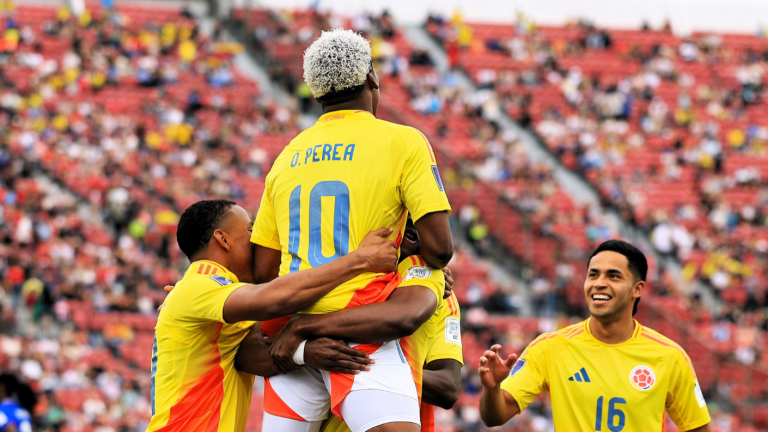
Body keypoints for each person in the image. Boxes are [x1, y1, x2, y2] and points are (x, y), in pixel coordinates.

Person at [250, 28, 454, 432]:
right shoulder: (402, 141)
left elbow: (263, 273)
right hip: (363, 337)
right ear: (372, 77)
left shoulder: (286, 155)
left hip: (296, 348)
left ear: (315, 92)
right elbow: (439, 249)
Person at [147, 200, 398, 432]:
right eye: (249, 230)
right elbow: (275, 299)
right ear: (223, 239)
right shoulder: (199, 285)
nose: (257, 240)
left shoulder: (213, 300)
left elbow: (259, 350)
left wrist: (302, 351)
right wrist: (359, 261)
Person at [478, 240, 712, 432]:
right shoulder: (550, 347)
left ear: (637, 289)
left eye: (613, 276)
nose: (599, 284)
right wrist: (492, 389)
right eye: (593, 275)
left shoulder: (669, 356)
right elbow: (495, 416)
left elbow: (697, 427)